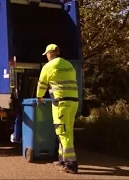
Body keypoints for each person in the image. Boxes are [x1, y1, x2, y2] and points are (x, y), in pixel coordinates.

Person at [36, 44, 79, 174]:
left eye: (47, 54)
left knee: (63, 132)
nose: (47, 57)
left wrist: (39, 97)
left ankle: (71, 164)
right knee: (67, 131)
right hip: (73, 102)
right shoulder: (68, 64)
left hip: (61, 103)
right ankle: (62, 159)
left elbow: (42, 83)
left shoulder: (48, 66)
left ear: (50, 53)